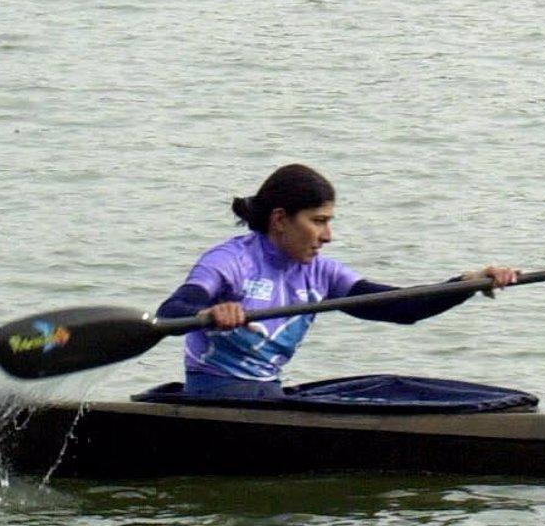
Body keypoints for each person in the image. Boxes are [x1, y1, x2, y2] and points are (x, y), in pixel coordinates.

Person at [156, 164, 517, 400]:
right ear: (280, 219)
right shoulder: (230, 261)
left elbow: (401, 308)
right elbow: (171, 312)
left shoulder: (322, 273)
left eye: (329, 222)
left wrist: (466, 284)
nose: (327, 235)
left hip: (269, 397)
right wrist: (211, 310)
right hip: (211, 398)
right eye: (318, 221)